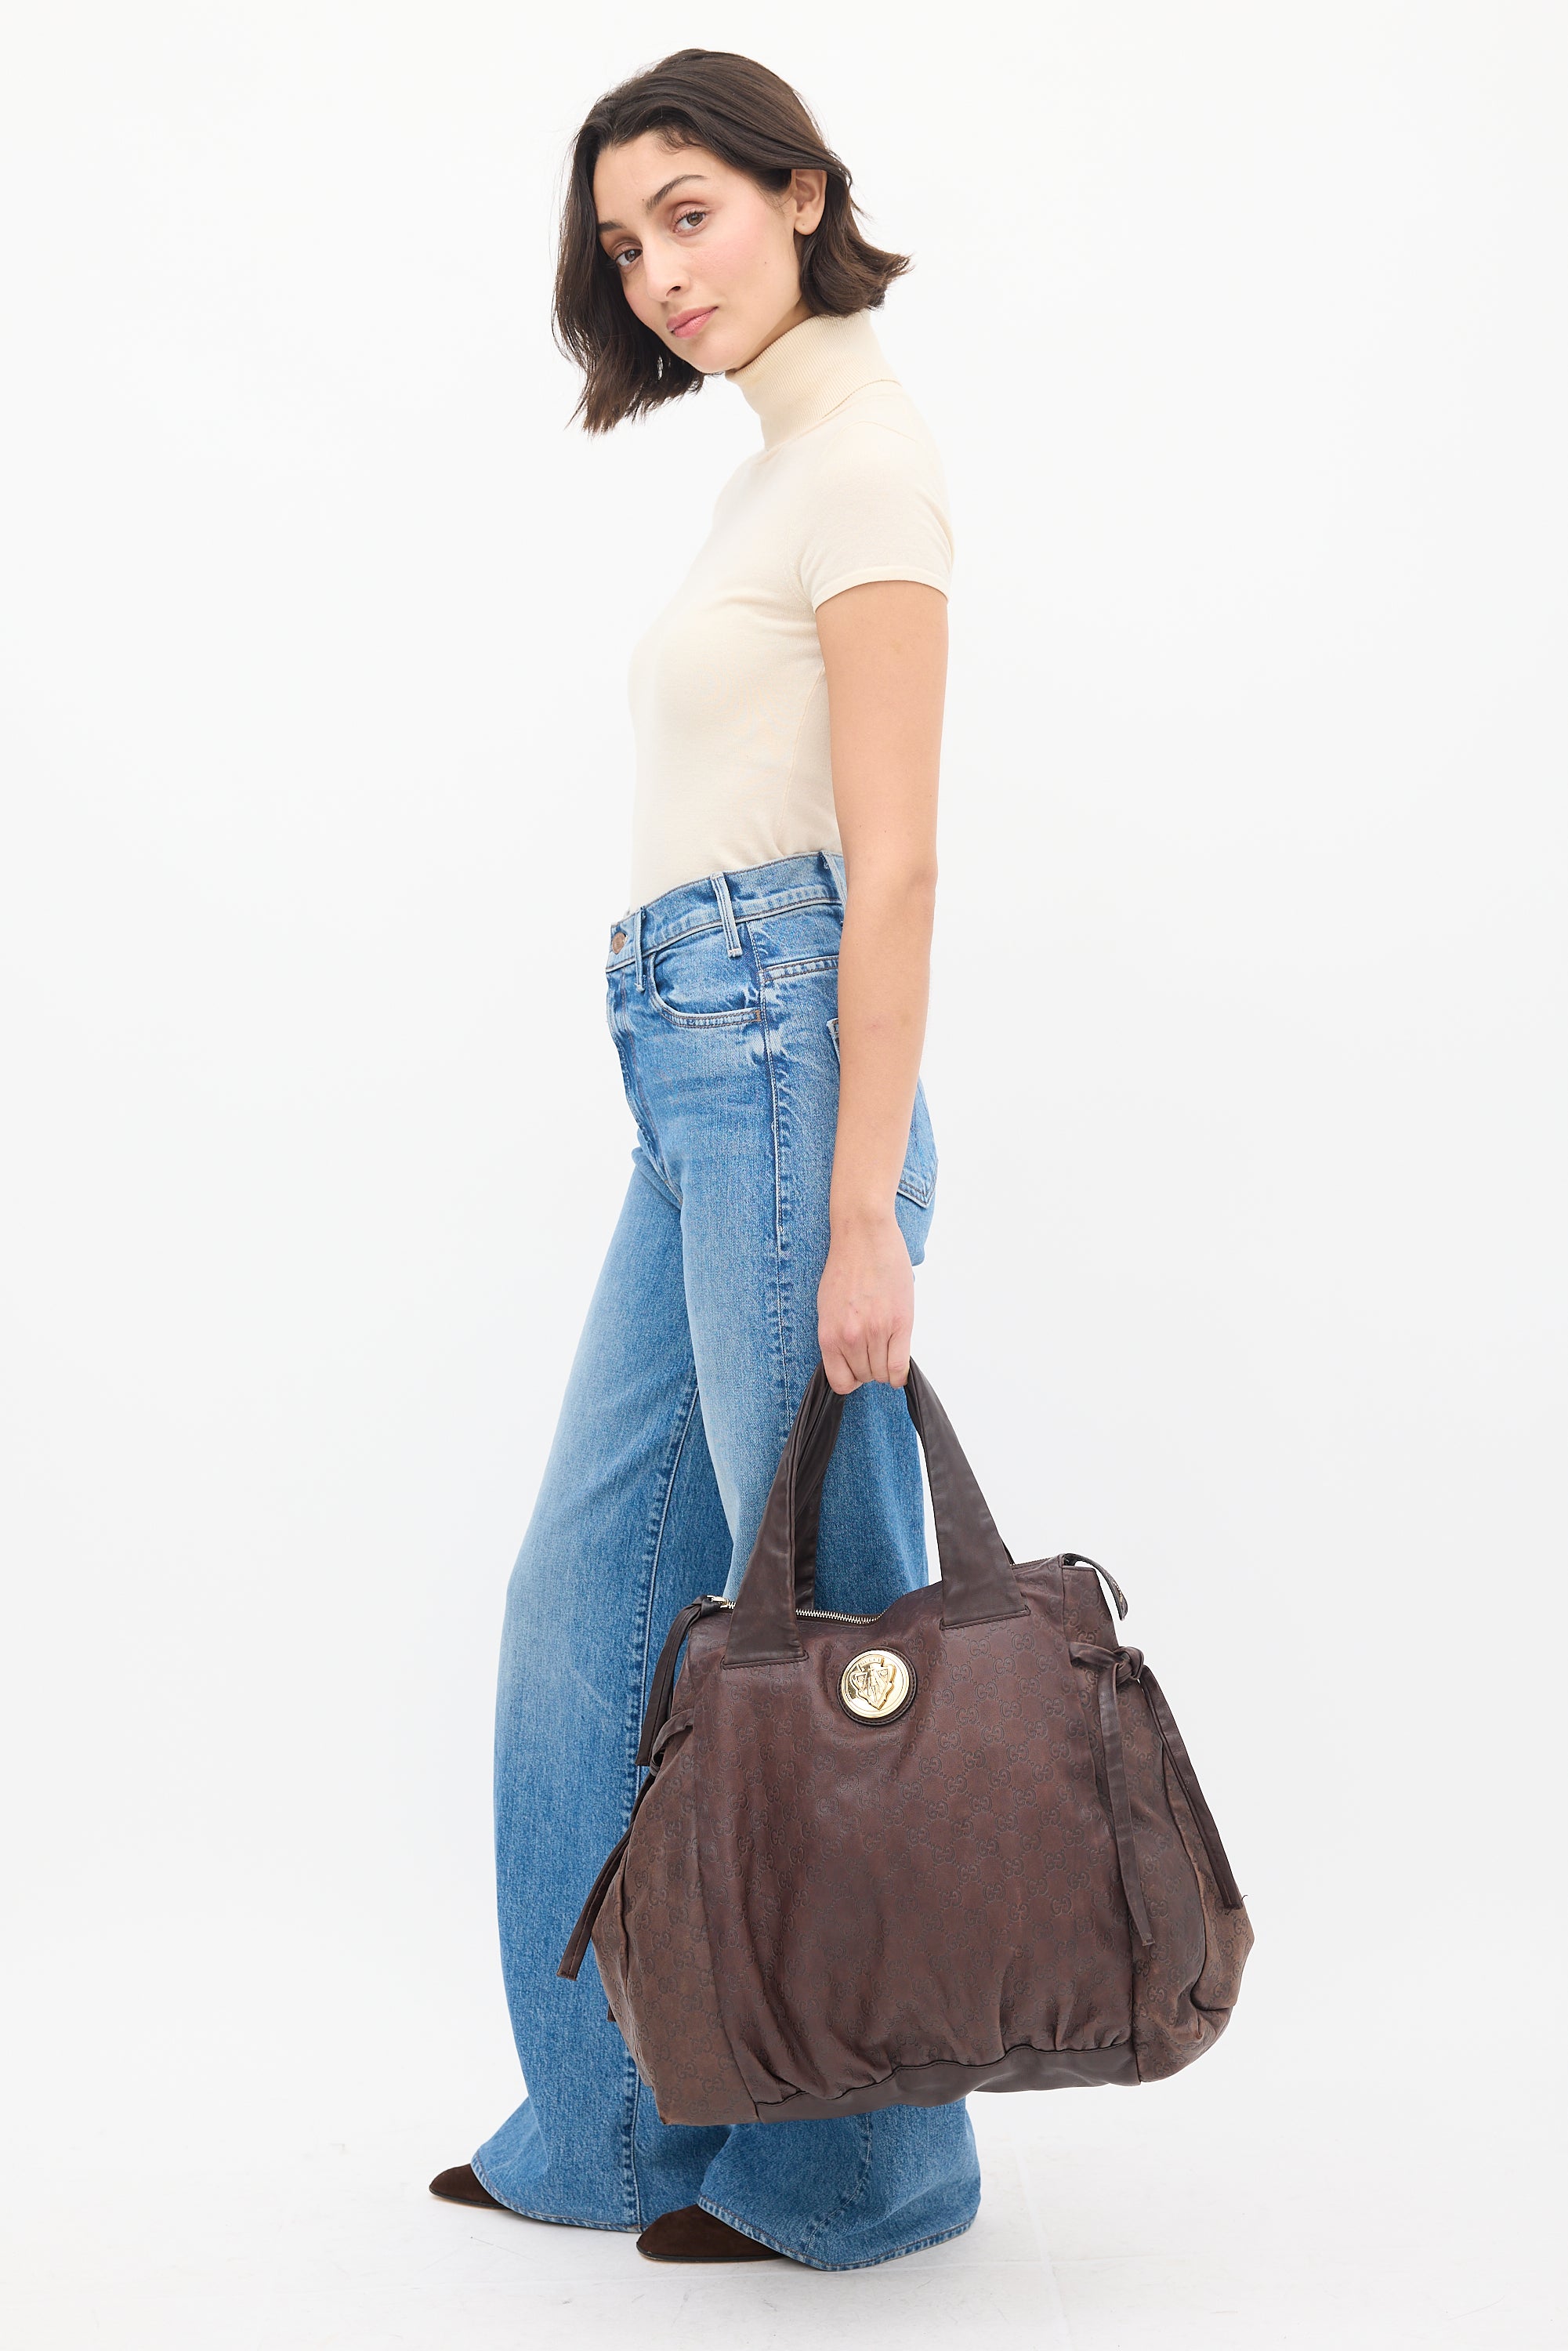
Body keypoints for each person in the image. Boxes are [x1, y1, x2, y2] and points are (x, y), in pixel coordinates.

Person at [429, 48, 981, 2270]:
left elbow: (899, 863)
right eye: (624, 242)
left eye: (690, 213)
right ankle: (616, 2123)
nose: (660, 271)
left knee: (832, 1630)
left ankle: (869, 2163)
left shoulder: (868, 463)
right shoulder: (769, 474)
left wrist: (859, 1205)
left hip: (782, 1067)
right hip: (689, 1070)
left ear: (799, 191)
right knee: (585, 1602)